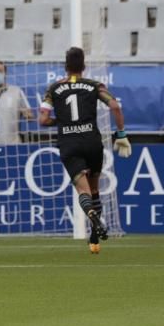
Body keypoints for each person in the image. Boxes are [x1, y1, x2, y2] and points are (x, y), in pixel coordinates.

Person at [39, 47, 131, 254]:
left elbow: (43, 118)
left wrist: (59, 121)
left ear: (65, 66)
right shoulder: (94, 85)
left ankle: (94, 220)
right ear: (84, 67)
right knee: (95, 189)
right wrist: (122, 134)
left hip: (69, 143)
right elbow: (115, 106)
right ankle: (94, 236)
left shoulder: (53, 89)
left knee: (83, 191)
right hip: (92, 141)